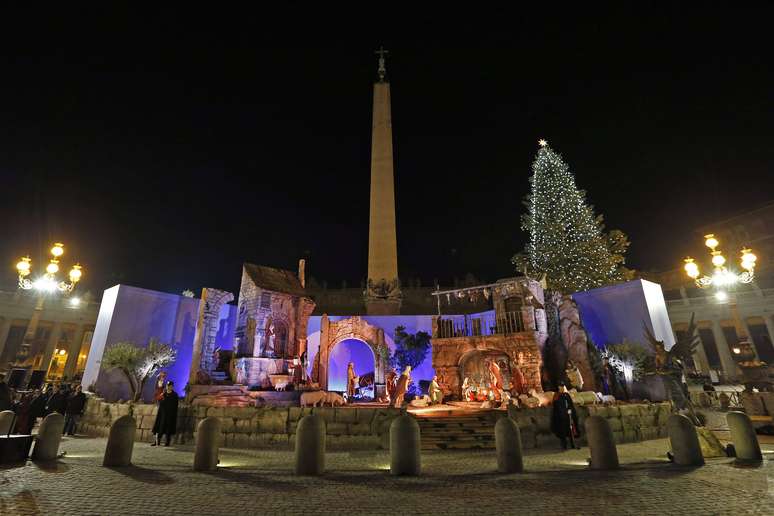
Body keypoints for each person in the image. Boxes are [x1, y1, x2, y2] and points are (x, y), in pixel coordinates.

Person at [551, 383, 580, 450]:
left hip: (567, 416)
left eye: (562, 387)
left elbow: (570, 404)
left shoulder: (566, 395)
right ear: (558, 387)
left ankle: (573, 445)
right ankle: (564, 446)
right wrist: (559, 414)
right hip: (560, 417)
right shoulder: (556, 396)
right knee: (562, 432)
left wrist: (570, 410)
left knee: (570, 431)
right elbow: (555, 407)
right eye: (560, 387)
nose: (562, 388)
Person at [152, 381, 179, 446]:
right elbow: (159, 401)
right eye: (168, 385)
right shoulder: (163, 394)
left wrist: (173, 414)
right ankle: (157, 441)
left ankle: (167, 442)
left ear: (172, 387)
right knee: (159, 427)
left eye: (170, 386)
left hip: (170, 415)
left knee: (168, 428)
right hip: (162, 414)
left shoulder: (174, 395)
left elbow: (175, 406)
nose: (169, 387)